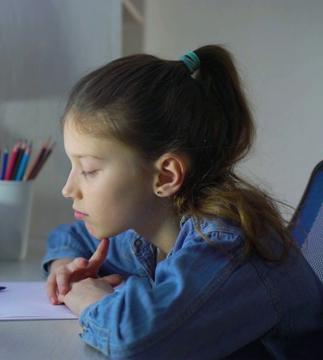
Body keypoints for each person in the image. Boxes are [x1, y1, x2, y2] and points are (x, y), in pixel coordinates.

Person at [42, 45, 323, 358]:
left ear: (164, 177)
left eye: (89, 170)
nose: (68, 189)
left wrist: (91, 297)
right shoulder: (155, 228)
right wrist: (65, 269)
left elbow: (133, 340)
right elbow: (70, 236)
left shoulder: (224, 247)